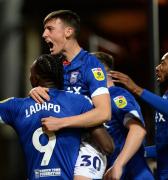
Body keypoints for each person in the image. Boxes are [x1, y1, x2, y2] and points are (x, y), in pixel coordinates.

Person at [29, 10, 113, 179]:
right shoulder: (54, 65)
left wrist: (61, 123)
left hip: (89, 143)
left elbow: (104, 113)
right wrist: (34, 89)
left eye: (50, 29)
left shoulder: (90, 64)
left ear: (68, 32)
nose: (44, 35)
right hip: (62, 141)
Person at [0, 54, 97, 179]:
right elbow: (106, 145)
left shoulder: (16, 107)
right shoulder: (80, 103)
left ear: (35, 79)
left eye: (31, 74)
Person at [109, 47, 168, 179]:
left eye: (163, 63)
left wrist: (137, 89)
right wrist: (132, 152)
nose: (157, 67)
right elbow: (165, 147)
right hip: (166, 173)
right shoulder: (167, 99)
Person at [90, 52, 154, 180]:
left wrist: (118, 165)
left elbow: (138, 130)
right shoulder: (94, 101)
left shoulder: (117, 95)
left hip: (133, 175)